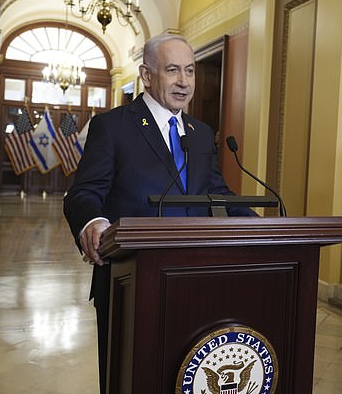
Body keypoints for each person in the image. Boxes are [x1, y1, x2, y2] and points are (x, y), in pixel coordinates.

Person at [63, 33, 256, 394]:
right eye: (172, 70)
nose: (184, 82)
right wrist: (94, 222)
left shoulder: (201, 134)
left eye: (190, 71)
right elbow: (83, 193)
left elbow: (219, 195)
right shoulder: (113, 126)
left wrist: (264, 232)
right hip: (130, 279)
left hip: (195, 279)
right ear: (147, 75)